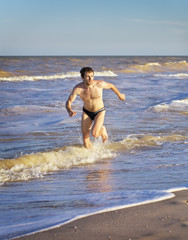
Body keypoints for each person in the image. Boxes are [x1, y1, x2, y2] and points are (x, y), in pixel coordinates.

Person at [65, 67, 125, 149]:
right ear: (82, 78)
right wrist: (69, 111)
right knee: (85, 140)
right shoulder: (78, 89)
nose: (90, 79)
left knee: (95, 134)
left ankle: (102, 129)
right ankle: (92, 157)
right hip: (86, 112)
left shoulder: (99, 84)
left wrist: (119, 95)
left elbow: (111, 86)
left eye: (92, 76)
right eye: (87, 76)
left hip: (99, 111)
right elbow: (68, 102)